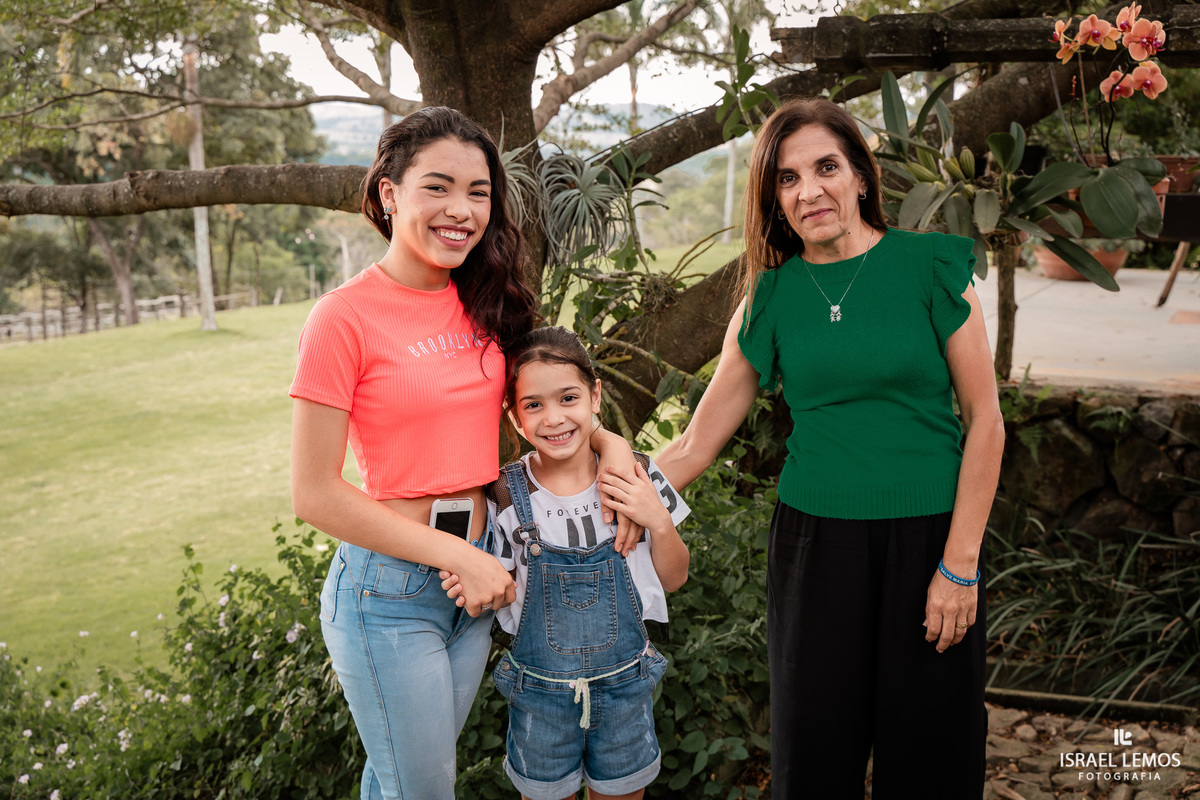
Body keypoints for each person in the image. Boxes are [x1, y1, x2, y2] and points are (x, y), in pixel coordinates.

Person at [635, 98, 1005, 799]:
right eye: (786, 178)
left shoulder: (932, 268)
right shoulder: (770, 299)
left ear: (861, 176)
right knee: (813, 762)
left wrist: (959, 566)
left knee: (932, 760)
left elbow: (986, 420)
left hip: (930, 543)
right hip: (815, 552)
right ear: (772, 198)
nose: (809, 191)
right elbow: (692, 444)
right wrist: (599, 497)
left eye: (826, 167)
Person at [288, 108, 631, 800]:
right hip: (393, 592)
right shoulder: (342, 316)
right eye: (437, 187)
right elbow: (314, 494)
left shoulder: (486, 301)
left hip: (475, 586)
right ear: (389, 195)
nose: (461, 209)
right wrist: (460, 556)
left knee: (396, 782)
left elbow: (547, 405)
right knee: (423, 790)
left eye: (478, 192)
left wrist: (611, 442)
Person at [445, 325, 690, 800]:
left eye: (568, 398)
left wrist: (658, 521)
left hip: (626, 693)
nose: (554, 418)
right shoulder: (502, 495)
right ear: (514, 417)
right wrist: (473, 582)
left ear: (595, 397)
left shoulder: (636, 475)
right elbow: (500, 592)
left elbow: (675, 579)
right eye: (533, 404)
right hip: (539, 700)